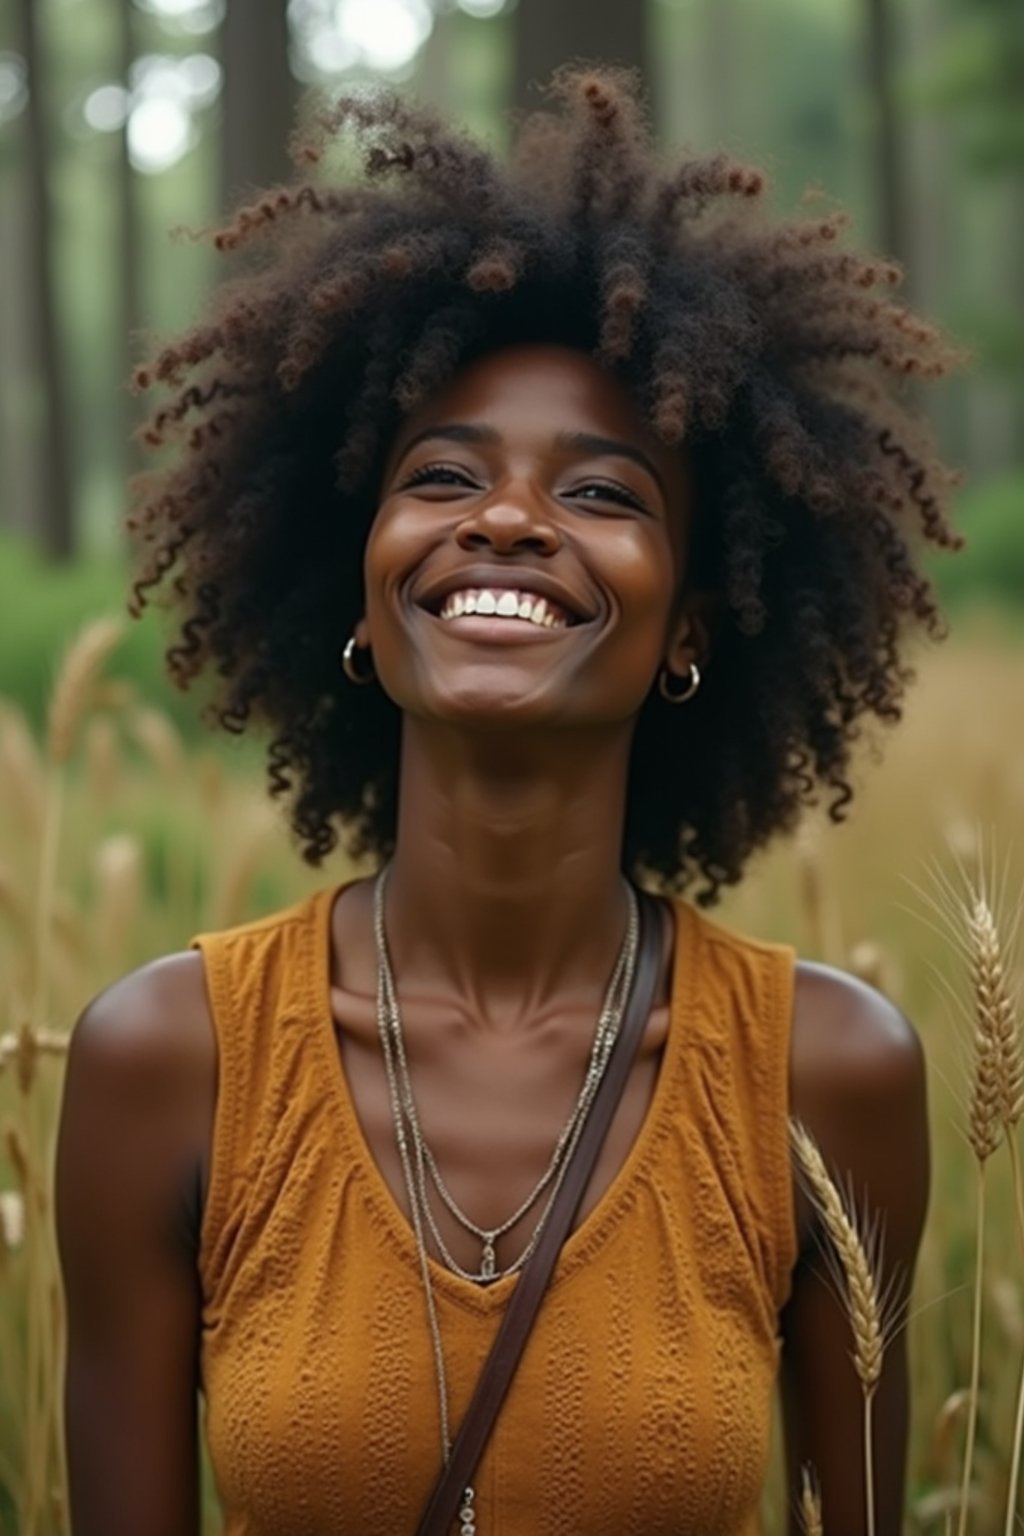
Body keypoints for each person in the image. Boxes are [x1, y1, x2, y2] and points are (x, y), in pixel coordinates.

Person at [55, 67, 955, 1536]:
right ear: (359, 584)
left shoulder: (826, 1076)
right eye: (441, 476)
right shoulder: (168, 1062)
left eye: (603, 494)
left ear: (692, 635)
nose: (510, 519)